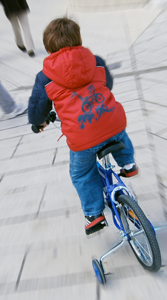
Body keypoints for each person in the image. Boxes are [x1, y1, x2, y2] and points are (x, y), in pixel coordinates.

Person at [28, 17, 138, 235]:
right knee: (117, 129)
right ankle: (128, 164)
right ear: (78, 39)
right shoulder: (95, 60)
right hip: (111, 120)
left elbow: (39, 107)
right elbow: (108, 84)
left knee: (82, 173)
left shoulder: (45, 78)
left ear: (49, 47)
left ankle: (94, 213)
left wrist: (37, 122)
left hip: (83, 137)